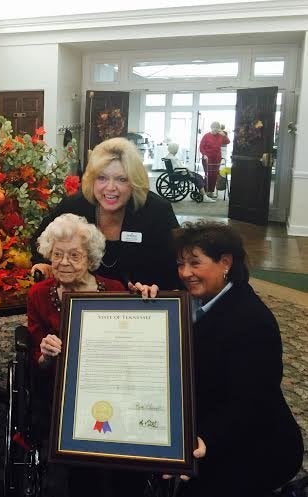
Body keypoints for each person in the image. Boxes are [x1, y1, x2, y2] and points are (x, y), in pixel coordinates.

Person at [28, 213, 157, 497]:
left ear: (90, 258)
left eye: (74, 255)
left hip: (112, 386)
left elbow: (133, 343)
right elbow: (37, 361)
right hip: (61, 393)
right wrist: (47, 354)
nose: (64, 262)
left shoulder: (114, 289)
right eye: (57, 254)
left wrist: (149, 304)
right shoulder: (38, 294)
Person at [172, 221, 303, 497]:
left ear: (225, 263)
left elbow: (253, 401)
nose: (185, 273)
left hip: (255, 440)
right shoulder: (196, 300)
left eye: (195, 263)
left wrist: (207, 438)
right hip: (208, 421)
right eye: (181, 264)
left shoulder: (251, 321)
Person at [31, 137, 180, 290]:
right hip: (84, 297)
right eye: (102, 178)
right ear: (92, 180)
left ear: (134, 182)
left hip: (140, 302)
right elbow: (39, 241)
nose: (110, 187)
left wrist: (156, 288)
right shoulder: (75, 206)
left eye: (121, 179)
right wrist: (42, 263)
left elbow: (176, 266)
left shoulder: (157, 211)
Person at [198, 121, 230, 199]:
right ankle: (205, 191)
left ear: (219, 128)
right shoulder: (206, 136)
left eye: (217, 128)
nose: (215, 129)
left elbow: (228, 142)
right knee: (208, 175)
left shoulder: (220, 136)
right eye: (214, 128)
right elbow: (201, 147)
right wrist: (204, 154)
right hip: (207, 158)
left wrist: (224, 135)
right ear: (211, 128)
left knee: (214, 175)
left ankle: (211, 192)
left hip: (216, 158)